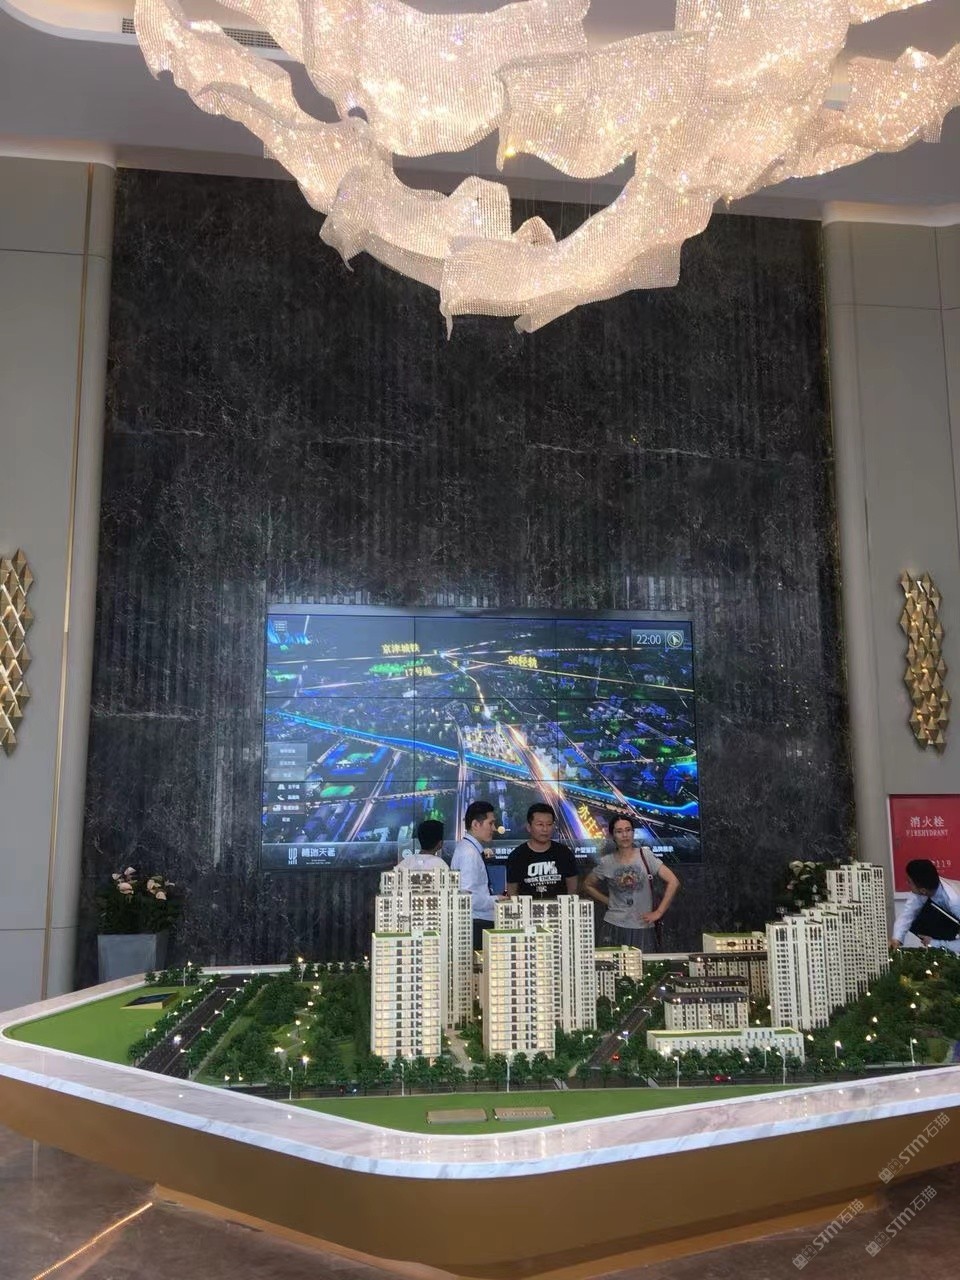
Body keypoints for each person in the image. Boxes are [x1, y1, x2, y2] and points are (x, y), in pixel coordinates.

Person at [583, 812, 680, 949]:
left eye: (628, 830)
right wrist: (609, 901)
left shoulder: (645, 855)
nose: (625, 835)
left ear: (633, 832)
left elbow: (673, 881)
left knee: (643, 962)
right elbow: (587, 885)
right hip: (614, 925)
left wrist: (659, 912)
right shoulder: (607, 862)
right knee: (613, 962)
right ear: (612, 836)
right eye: (619, 831)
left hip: (642, 925)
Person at [451, 800, 500, 949]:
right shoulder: (469, 853)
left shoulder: (468, 849)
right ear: (475, 824)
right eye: (490, 823)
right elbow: (469, 898)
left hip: (476, 921)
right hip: (477, 923)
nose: (494, 828)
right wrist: (496, 900)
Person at [506, 803, 580, 898]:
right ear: (529, 827)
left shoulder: (565, 853)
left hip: (560, 907)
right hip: (527, 907)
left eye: (549, 824)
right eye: (540, 824)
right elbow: (512, 893)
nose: (545, 829)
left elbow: (572, 891)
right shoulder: (516, 856)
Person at [890, 858, 960, 953]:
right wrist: (896, 939)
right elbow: (907, 914)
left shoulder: (955, 902)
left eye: (909, 882)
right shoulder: (923, 891)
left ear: (923, 890)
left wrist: (936, 944)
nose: (907, 884)